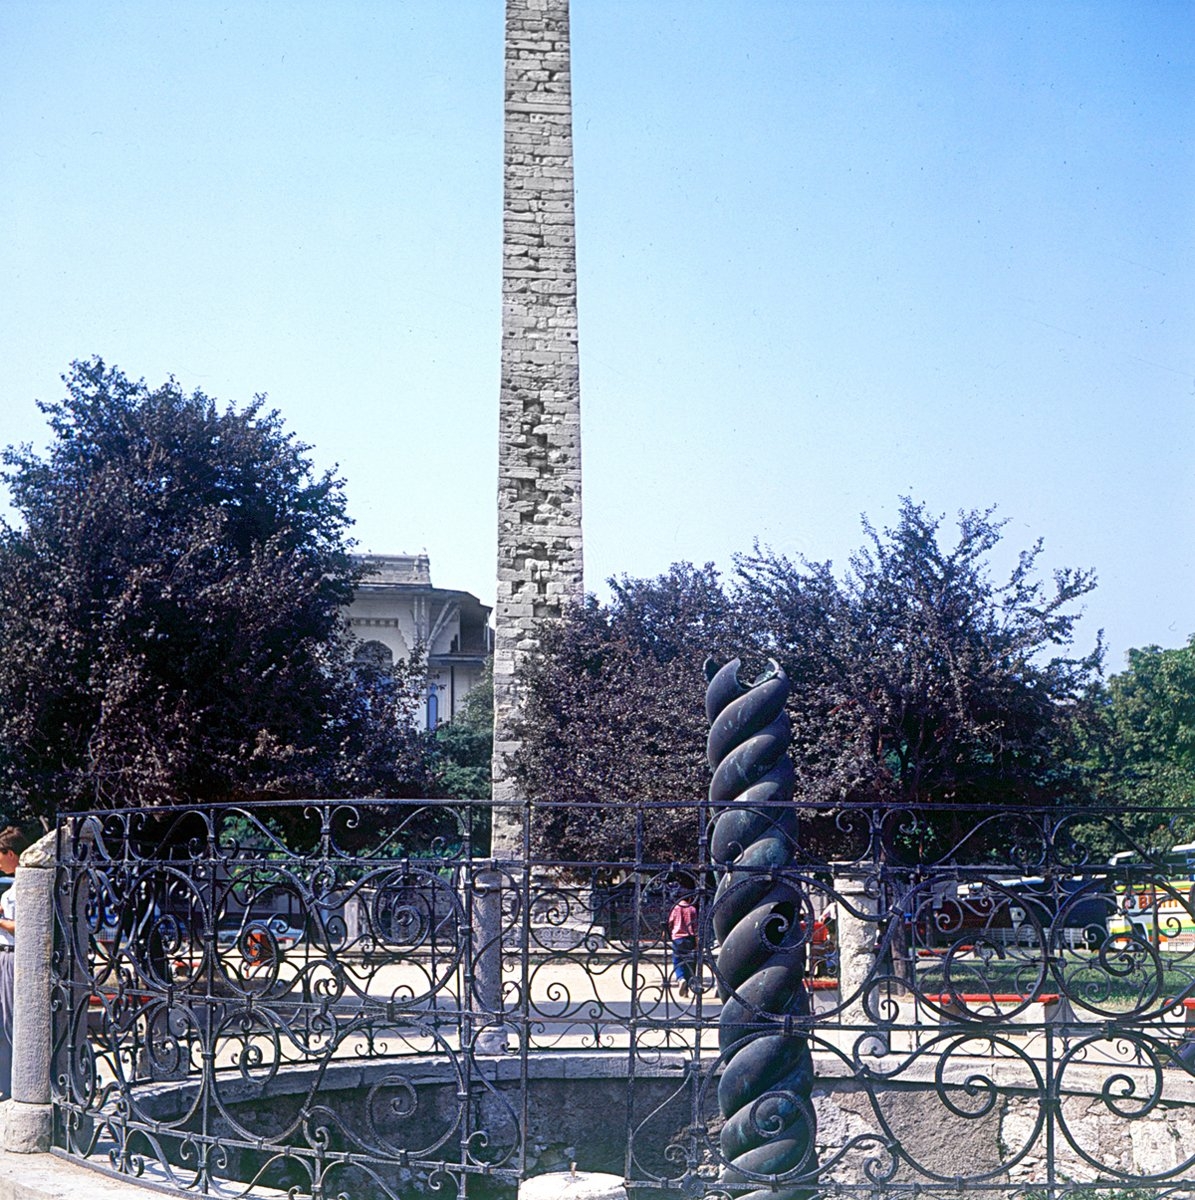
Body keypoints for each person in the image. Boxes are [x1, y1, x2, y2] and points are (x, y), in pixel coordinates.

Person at [0, 825, 31, 1100]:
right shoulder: (14, 884)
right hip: (2, 955)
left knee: (11, 1020)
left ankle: (14, 1084)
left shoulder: (26, 883)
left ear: (11, 853)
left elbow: (25, 927)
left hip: (13, 956)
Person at [667, 892, 699, 998]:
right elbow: (695, 927)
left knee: (677, 961)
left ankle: (681, 979)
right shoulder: (692, 909)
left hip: (677, 938)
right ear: (689, 898)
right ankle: (689, 988)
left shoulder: (675, 908)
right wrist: (697, 942)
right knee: (689, 963)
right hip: (689, 938)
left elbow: (670, 923)